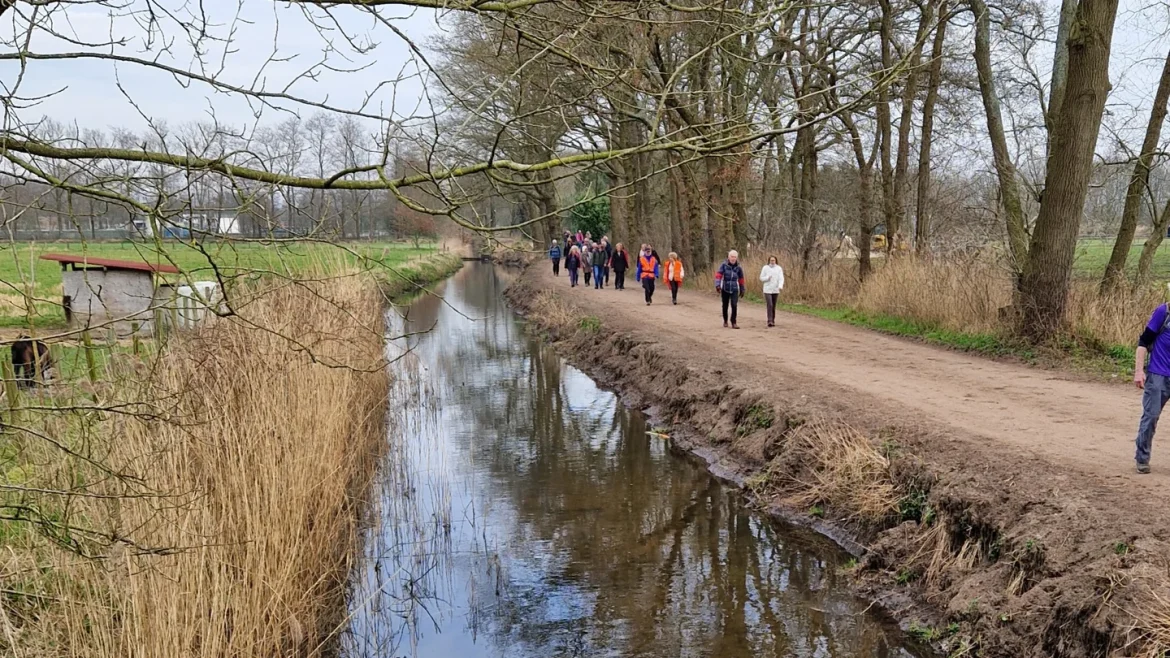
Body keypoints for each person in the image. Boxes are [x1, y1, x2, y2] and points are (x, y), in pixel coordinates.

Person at [1133, 296, 1170, 473]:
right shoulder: (1163, 312)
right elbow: (1143, 343)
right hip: (1158, 375)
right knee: (1151, 416)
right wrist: (1139, 371)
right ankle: (1142, 458)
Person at [715, 250, 746, 329]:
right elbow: (718, 275)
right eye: (732, 257)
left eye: (735, 257)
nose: (733, 258)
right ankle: (725, 320)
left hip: (734, 288)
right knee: (725, 306)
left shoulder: (738, 267)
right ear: (728, 257)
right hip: (725, 287)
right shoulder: (724, 265)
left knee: (734, 305)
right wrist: (718, 285)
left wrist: (742, 288)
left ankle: (733, 322)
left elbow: (741, 278)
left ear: (737, 258)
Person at [759, 255, 785, 327]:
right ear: (769, 261)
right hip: (767, 289)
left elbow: (781, 278)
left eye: (774, 260)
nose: (772, 262)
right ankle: (769, 320)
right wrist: (767, 278)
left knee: (773, 305)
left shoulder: (779, 268)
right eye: (771, 260)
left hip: (775, 289)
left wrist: (780, 285)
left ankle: (773, 320)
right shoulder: (765, 268)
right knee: (769, 304)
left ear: (776, 261)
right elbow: (761, 278)